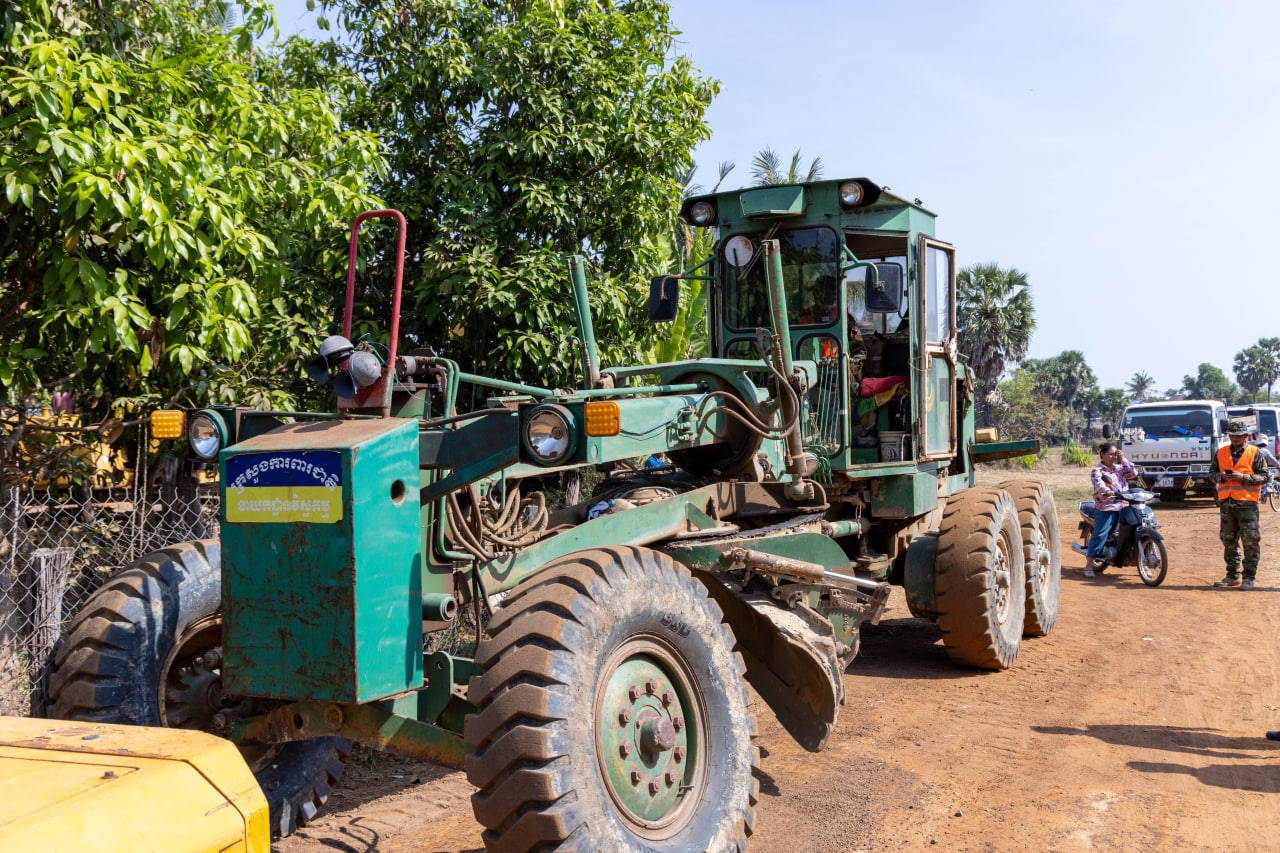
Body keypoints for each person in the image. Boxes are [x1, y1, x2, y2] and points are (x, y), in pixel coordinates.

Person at [1211, 419, 1268, 589]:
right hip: (1227, 503)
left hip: (1247, 503)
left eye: (1238, 435)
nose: (1234, 438)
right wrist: (1221, 476)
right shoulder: (1221, 452)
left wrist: (1243, 477)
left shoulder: (1255, 453)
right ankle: (1232, 576)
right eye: (1231, 435)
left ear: (1245, 436)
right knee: (1228, 539)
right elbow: (1211, 474)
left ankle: (1249, 577)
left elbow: (1265, 476)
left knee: (1250, 540)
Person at [1084, 443, 1137, 578]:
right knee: (1100, 533)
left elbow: (1133, 474)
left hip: (1124, 505)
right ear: (1102, 454)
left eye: (1115, 454)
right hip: (1106, 506)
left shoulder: (1120, 468)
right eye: (1110, 454)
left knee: (1136, 528)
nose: (1113, 457)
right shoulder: (1097, 471)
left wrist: (1123, 459)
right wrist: (1107, 491)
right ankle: (1089, 564)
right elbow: (1099, 485)